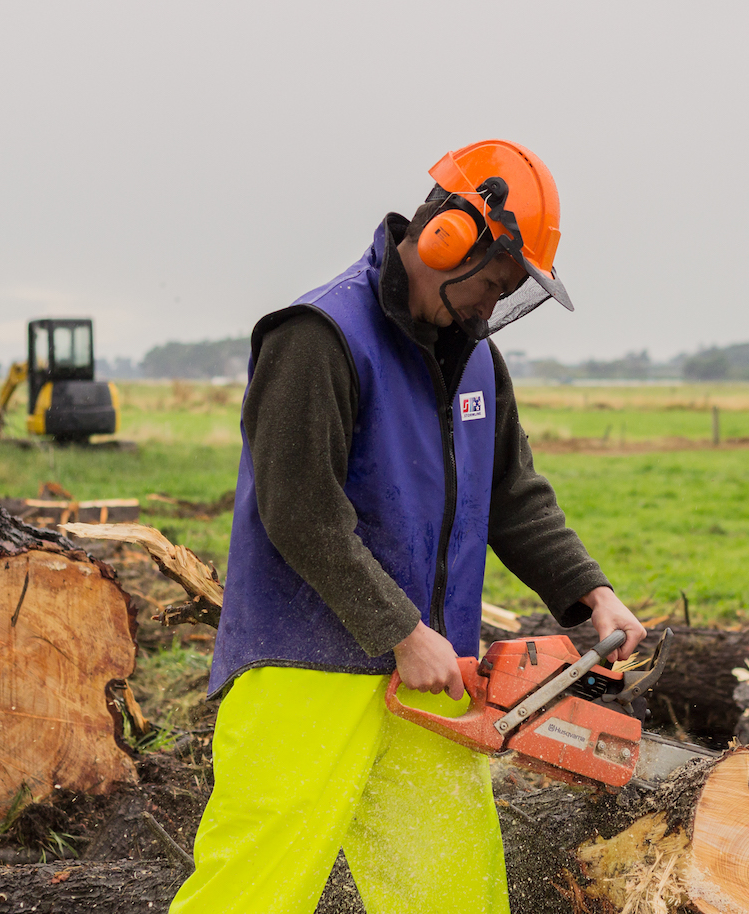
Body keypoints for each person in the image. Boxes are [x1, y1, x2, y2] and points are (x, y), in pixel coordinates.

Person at [169, 139, 647, 914]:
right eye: (491, 284)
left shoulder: (475, 363)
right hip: (305, 668)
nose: (490, 308)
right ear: (445, 237)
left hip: (431, 675)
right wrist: (399, 628)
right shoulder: (317, 336)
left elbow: (513, 494)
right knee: (250, 891)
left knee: (455, 895)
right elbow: (299, 510)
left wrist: (588, 593)